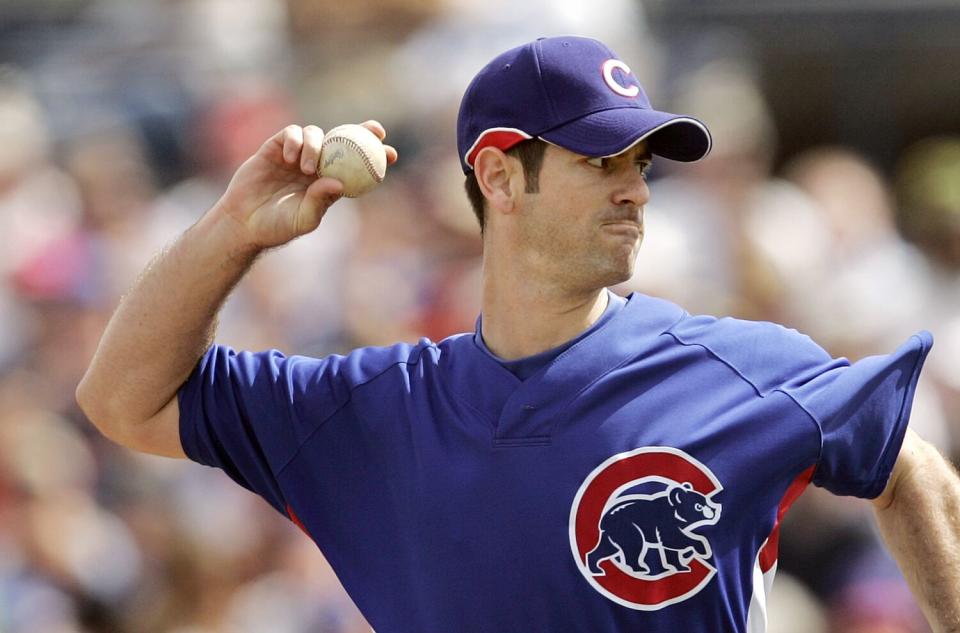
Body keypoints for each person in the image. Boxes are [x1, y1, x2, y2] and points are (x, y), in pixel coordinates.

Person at [77, 36, 960, 632]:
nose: (637, 190)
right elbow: (121, 398)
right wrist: (232, 231)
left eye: (641, 164)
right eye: (600, 161)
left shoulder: (740, 372)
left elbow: (909, 466)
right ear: (500, 176)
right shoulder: (371, 412)